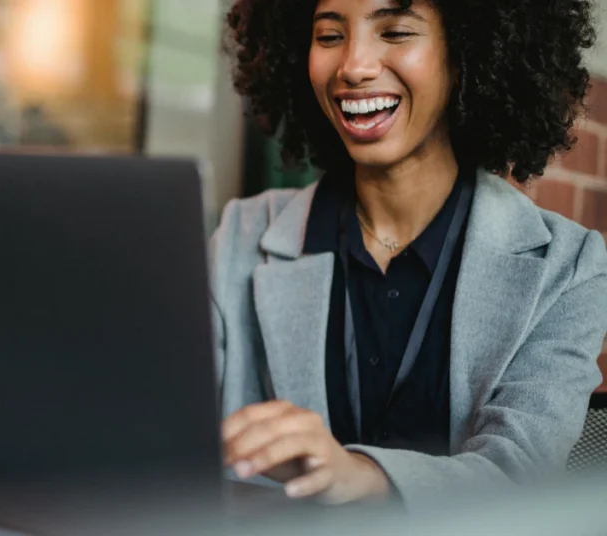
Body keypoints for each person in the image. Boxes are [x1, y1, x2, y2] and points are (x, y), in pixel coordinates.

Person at [215, 0, 607, 510]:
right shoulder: (241, 237)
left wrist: (358, 475)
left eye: (396, 31)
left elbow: (518, 476)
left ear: (466, 51)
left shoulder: (567, 268)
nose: (354, 66)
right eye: (330, 36)